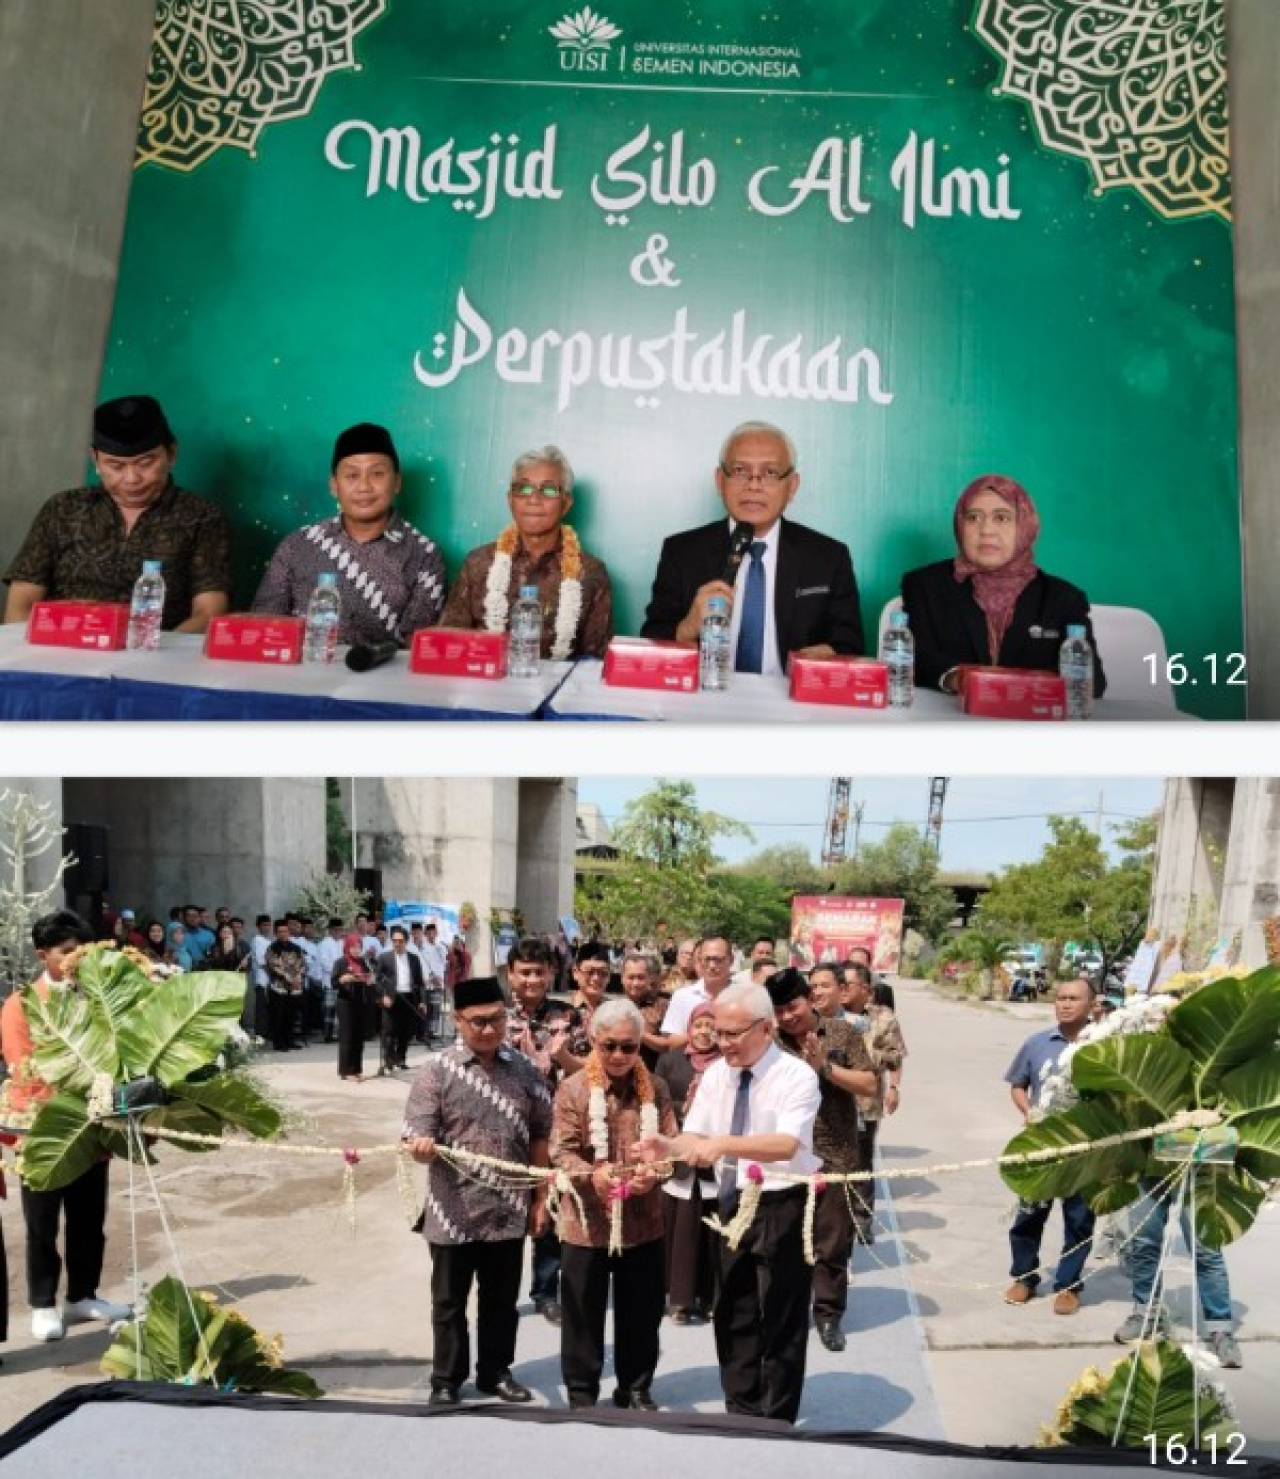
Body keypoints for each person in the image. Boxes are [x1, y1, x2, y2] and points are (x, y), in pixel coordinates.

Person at [636, 982, 822, 1425]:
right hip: (729, 1201)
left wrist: (722, 1144)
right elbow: (697, 1134)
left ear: (766, 1028)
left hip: (782, 1203)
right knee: (733, 1308)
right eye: (718, 1032)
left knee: (780, 1311)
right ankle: (740, 1409)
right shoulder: (718, 1072)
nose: (722, 1043)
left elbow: (785, 1143)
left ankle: (776, 1418)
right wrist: (668, 1145)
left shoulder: (796, 1075)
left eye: (733, 1034)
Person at [403, 977, 552, 1406]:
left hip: (509, 1206)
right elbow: (416, 1137)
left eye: (497, 1019)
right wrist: (422, 1147)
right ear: (457, 1020)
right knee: (449, 1301)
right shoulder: (437, 1071)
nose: (489, 1029)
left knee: (501, 1301)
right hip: (453, 1208)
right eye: (479, 1021)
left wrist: (540, 1198)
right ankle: (446, 1379)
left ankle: (495, 1373)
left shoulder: (525, 1070)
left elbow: (542, 1134)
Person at [0, 910, 133, 1341]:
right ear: (43, 955)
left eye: (82, 950)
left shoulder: (95, 997)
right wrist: (70, 1105)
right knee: (42, 1221)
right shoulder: (20, 1005)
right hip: (41, 1128)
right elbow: (25, 1067)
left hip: (92, 1124)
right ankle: (42, 1304)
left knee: (89, 1217)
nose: (76, 959)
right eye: (66, 952)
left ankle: (82, 1297)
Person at [641, 421, 864, 670]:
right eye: (739, 471)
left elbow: (851, 647)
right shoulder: (681, 552)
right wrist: (687, 628)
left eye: (769, 473)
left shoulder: (828, 557)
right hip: (705, 696)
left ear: (792, 486)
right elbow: (651, 644)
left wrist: (829, 656)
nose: (754, 485)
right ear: (719, 481)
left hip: (792, 700)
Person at [4, 395, 231, 632]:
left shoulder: (201, 517)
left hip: (156, 656)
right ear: (96, 460)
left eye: (145, 463)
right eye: (116, 466)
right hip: (61, 648)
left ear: (171, 455)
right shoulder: (62, 509)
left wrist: (150, 658)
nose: (132, 479)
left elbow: (209, 613)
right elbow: (21, 606)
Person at [550, 999, 678, 1410]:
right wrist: (594, 1175)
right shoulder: (572, 1088)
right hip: (586, 1222)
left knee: (641, 1311)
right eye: (610, 1046)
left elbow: (670, 1151)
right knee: (582, 1314)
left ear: (641, 1044)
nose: (619, 1055)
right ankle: (582, 1394)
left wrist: (653, 1173)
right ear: (592, 1040)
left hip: (644, 1222)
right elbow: (561, 1151)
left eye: (629, 1046)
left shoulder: (655, 1089)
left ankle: (635, 1388)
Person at [900, 474, 1106, 696]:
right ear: (960, 524)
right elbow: (910, 660)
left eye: (1002, 518)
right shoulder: (924, 586)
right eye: (973, 518)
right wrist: (955, 678)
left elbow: (1091, 681)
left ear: (1024, 525)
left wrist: (1018, 689)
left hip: (1033, 724)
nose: (986, 530)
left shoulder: (1063, 599)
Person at [252, 422, 447, 646]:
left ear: (397, 483)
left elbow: (416, 645)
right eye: (352, 475)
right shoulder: (298, 544)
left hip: (380, 675)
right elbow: (265, 622)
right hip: (299, 671)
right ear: (334, 486)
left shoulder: (425, 556)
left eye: (377, 474)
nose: (364, 487)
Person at [769, 969, 877, 1351]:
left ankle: (829, 1315)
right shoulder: (771, 1041)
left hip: (835, 1154)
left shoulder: (842, 1033)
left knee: (831, 1241)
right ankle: (790, 1310)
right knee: (787, 1240)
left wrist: (825, 1069)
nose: (786, 1017)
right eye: (778, 1010)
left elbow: (869, 1083)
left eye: (792, 1007)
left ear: (810, 1000)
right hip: (785, 1155)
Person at [437, 445, 613, 660]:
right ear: (510, 499)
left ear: (566, 504)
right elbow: (450, 641)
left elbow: (596, 660)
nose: (534, 499)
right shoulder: (478, 563)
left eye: (548, 490)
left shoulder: (590, 572)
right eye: (524, 488)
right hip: (484, 685)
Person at [504, 937, 586, 1325]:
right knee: (505, 1208)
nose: (532, 979)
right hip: (506, 1128)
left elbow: (591, 1072)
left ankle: (545, 1290)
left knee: (550, 1209)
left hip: (555, 1129)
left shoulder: (568, 1017)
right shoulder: (496, 1015)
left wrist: (562, 1057)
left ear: (551, 973)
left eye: (539, 972)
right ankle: (501, 1289)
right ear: (511, 974)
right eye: (525, 972)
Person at [1004, 977, 1098, 1315]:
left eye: (1074, 998)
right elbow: (1017, 1084)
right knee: (1029, 1215)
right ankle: (1024, 1278)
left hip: (1086, 1149)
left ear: (1092, 1004)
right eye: (1060, 998)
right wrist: (1029, 1111)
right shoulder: (1037, 1043)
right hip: (1041, 1147)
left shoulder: (1103, 1045)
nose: (1065, 1004)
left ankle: (1069, 1285)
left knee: (1079, 1219)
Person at [1113, 1176, 1242, 1367]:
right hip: (1150, 1167)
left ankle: (1221, 1330)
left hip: (1196, 1171)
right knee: (1144, 1245)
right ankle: (1145, 1314)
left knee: (1205, 1248)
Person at [654, 1001, 721, 1325]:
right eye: (699, 1025)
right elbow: (656, 1102)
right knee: (679, 1233)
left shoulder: (728, 1064)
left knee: (711, 1232)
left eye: (711, 1026)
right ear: (689, 1028)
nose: (705, 1032)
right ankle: (678, 1300)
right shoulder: (670, 1061)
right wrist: (689, 1105)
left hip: (714, 1159)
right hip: (679, 1158)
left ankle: (710, 1297)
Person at [658, 933, 734, 1051]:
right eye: (707, 959)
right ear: (699, 961)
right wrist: (701, 1033)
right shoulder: (682, 996)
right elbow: (672, 1043)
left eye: (718, 959)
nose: (712, 965)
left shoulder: (744, 995)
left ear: (731, 960)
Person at [375, 925, 426, 1074]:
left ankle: (401, 1058)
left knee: (406, 1031)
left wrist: (422, 1001)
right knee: (389, 1031)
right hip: (391, 998)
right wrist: (382, 996)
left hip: (408, 998)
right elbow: (377, 980)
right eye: (394, 941)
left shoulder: (414, 959)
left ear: (406, 941)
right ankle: (389, 1060)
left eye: (400, 941)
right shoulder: (384, 958)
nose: (397, 943)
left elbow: (419, 982)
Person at [619, 951, 670, 1069]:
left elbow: (668, 1045)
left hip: (653, 1076)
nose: (636, 983)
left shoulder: (662, 1007)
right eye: (631, 977)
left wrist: (637, 1033)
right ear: (622, 978)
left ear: (649, 979)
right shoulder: (611, 1007)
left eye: (641, 977)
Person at [332, 932, 372, 1082]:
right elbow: (334, 982)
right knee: (347, 1036)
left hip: (360, 1002)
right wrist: (344, 979)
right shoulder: (340, 962)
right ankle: (344, 1070)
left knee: (358, 1037)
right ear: (347, 947)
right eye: (353, 947)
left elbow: (368, 976)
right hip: (345, 1003)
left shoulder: (362, 961)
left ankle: (357, 1069)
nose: (356, 950)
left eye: (359, 947)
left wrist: (368, 979)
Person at [263, 919, 305, 1053]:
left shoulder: (296, 948)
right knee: (278, 1015)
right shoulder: (272, 948)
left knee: (291, 1015)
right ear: (276, 933)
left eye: (285, 931)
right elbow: (273, 965)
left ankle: (290, 1040)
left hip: (294, 987)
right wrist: (288, 977)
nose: (283, 934)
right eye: (280, 931)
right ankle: (278, 1042)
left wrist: (297, 977)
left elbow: (302, 964)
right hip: (279, 986)